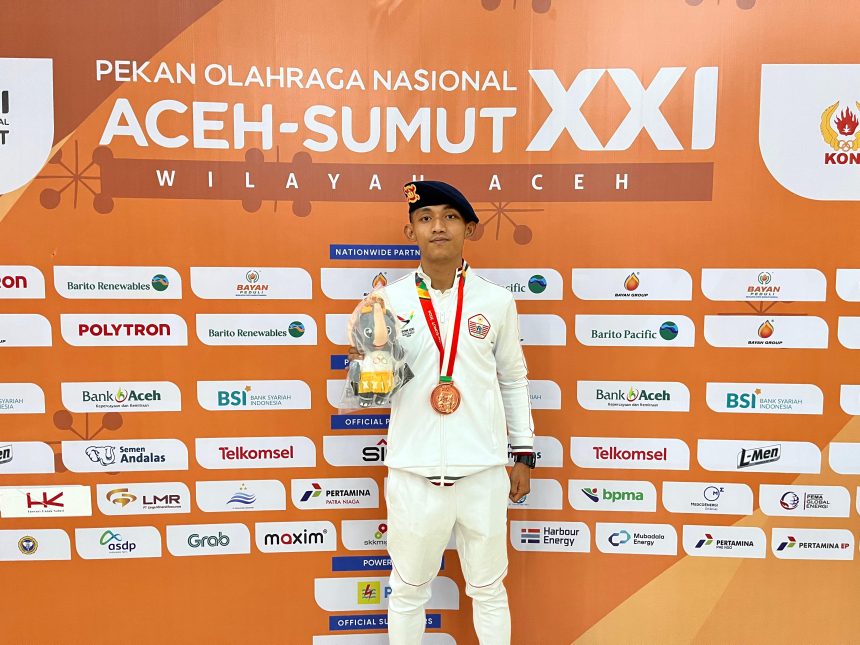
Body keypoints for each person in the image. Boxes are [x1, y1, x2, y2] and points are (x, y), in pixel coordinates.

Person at [348, 180, 536, 644]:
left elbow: (513, 379)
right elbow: (372, 394)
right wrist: (368, 361)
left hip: (483, 472)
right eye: (426, 218)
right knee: (408, 591)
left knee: (489, 589)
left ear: (469, 229)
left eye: (450, 217)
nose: (438, 227)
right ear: (410, 231)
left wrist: (523, 452)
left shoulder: (496, 301)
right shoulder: (386, 302)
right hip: (414, 473)